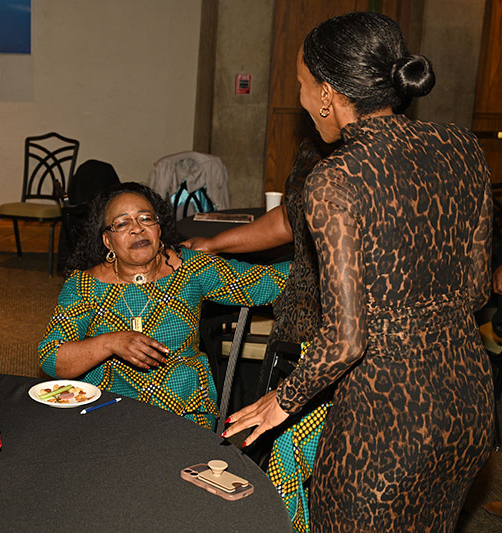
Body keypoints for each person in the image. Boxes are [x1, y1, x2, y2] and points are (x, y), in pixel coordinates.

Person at [222, 12, 493, 530]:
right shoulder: (461, 147)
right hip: (468, 399)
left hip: (387, 416)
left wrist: (282, 400)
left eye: (302, 86)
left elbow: (346, 340)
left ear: (327, 94)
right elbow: (477, 290)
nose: (302, 101)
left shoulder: (336, 179)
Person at [38, 182, 290, 430]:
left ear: (159, 228)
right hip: (110, 409)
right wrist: (110, 343)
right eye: (122, 223)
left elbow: (268, 282)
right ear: (108, 241)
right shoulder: (84, 286)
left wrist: (315, 261)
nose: (137, 229)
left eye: (146, 219)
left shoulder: (190, 268)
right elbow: (52, 357)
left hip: (185, 408)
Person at [183, 136, 335, 532]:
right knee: (287, 453)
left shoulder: (371, 164)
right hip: (312, 334)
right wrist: (215, 243)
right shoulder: (314, 149)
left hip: (364, 348)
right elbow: (288, 219)